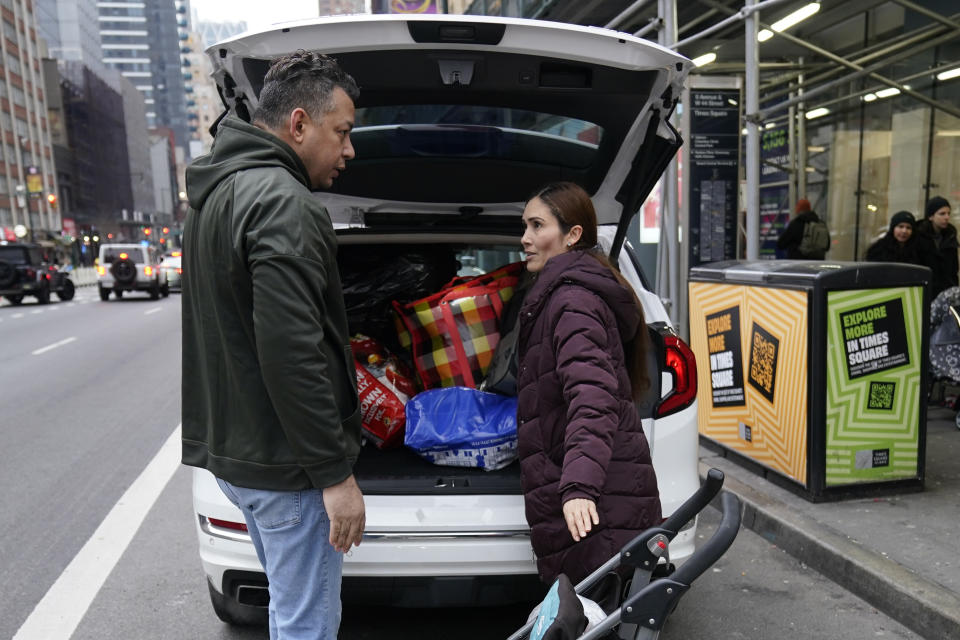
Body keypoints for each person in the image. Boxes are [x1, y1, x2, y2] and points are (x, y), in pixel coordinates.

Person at [181, 51, 364, 639]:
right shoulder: (285, 204)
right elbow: (292, 355)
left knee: (288, 614)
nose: (349, 151)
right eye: (343, 133)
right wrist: (334, 476)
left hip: (242, 455)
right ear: (300, 124)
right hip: (290, 468)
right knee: (306, 625)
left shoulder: (216, 193)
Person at [516, 181, 661, 585]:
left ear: (573, 234)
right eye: (524, 227)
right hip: (602, 486)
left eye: (536, 226)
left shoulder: (572, 301)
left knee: (600, 615)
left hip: (599, 498)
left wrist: (579, 486)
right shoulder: (564, 295)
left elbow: (593, 398)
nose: (525, 238)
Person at [915, 196, 958, 301]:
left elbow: (953, 270)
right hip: (924, 294)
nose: (947, 217)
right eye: (942, 214)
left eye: (948, 213)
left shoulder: (950, 237)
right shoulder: (918, 237)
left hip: (946, 296)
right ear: (931, 216)